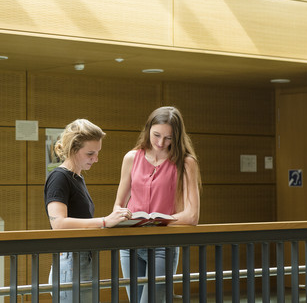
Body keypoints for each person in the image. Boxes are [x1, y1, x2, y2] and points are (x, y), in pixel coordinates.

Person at [113, 106, 202, 303]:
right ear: (148, 130)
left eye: (168, 138)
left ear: (177, 137)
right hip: (129, 244)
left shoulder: (186, 163)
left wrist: (156, 222)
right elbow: (118, 206)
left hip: (163, 245)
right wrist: (123, 217)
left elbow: (192, 215)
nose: (161, 143)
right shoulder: (131, 158)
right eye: (156, 135)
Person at [44, 118, 131, 302]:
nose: (96, 159)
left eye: (97, 153)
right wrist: (105, 221)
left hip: (81, 259)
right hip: (70, 262)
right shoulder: (59, 177)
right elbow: (58, 223)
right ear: (73, 149)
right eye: (90, 153)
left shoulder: (77, 178)